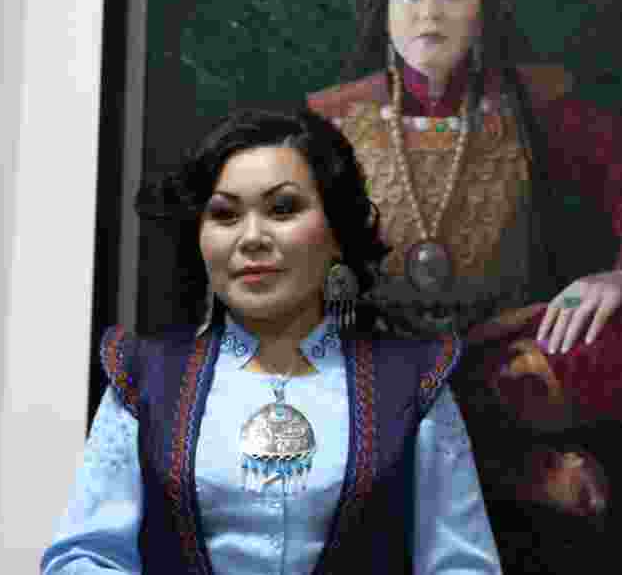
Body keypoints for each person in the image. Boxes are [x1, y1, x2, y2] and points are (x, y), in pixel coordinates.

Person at [305, 0, 622, 568]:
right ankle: (510, 473)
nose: (430, 14)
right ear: (384, 10)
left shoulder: (530, 104)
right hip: (374, 350)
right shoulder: (334, 118)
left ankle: (428, 457)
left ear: (486, 7)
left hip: (496, 346)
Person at [40, 108, 502, 574]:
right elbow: (85, 558)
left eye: (282, 209)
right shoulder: (144, 377)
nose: (252, 238)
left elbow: (461, 565)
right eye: (225, 214)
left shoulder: (414, 382)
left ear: (336, 232)